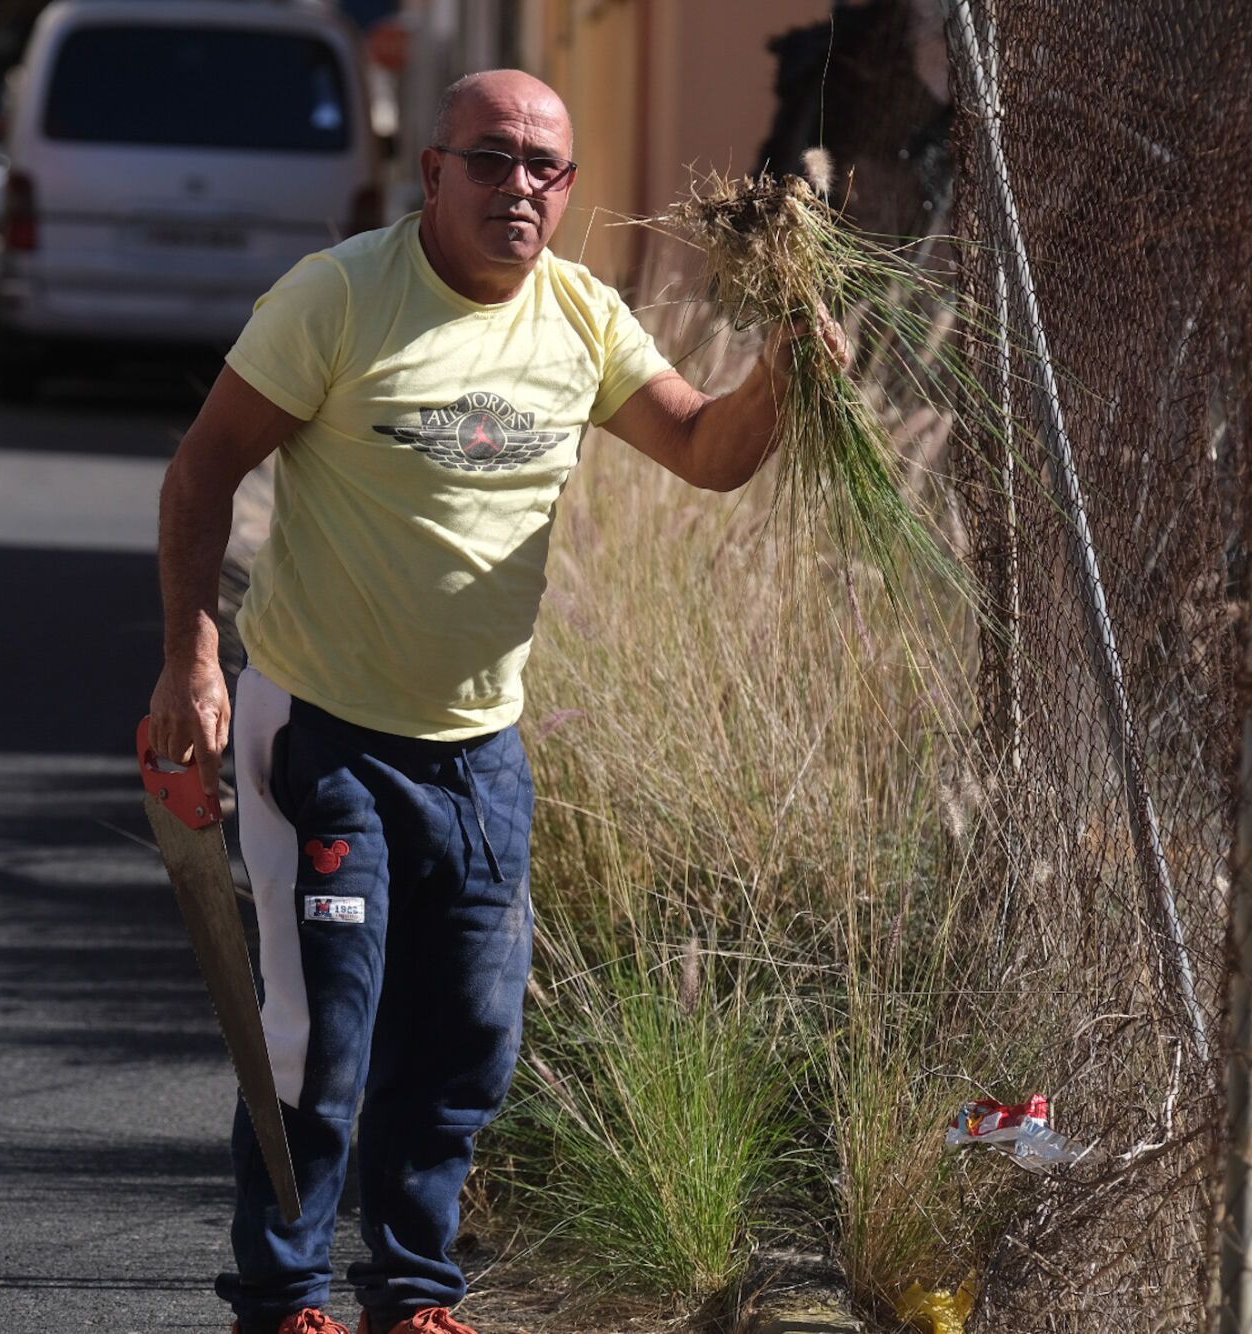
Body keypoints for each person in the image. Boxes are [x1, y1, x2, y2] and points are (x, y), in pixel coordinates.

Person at [147, 69, 842, 1334]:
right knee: (318, 1038)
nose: (518, 186)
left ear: (567, 191)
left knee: (468, 1038)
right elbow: (199, 474)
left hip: (479, 748)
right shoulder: (339, 297)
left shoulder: (579, 316)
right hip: (323, 732)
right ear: (432, 173)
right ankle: (283, 1294)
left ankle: (412, 1295)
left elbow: (704, 450)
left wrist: (791, 368)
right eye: (490, 159)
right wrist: (191, 658)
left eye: (545, 168)